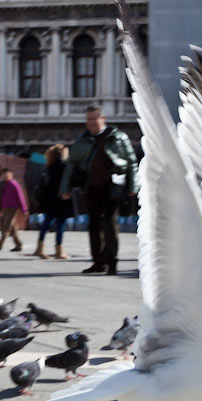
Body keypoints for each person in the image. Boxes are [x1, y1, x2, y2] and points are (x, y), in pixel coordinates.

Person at [60, 105, 138, 275]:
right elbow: (71, 165)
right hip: (91, 188)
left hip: (113, 186)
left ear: (103, 118)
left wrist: (133, 186)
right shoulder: (82, 140)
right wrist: (65, 188)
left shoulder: (118, 137)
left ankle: (112, 262)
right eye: (88, 119)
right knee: (94, 224)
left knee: (109, 223)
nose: (91, 122)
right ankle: (98, 262)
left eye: (94, 118)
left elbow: (131, 162)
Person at [32, 144, 74, 260]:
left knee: (46, 223)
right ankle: (58, 251)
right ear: (61, 154)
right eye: (66, 152)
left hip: (48, 199)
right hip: (61, 199)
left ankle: (39, 249)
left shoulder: (49, 166)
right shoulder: (65, 166)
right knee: (60, 224)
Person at [0, 168, 28, 252]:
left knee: (6, 226)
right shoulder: (4, 184)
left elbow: (20, 197)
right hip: (5, 209)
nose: (5, 175)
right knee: (13, 228)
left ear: (11, 174)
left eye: (7, 174)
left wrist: (24, 209)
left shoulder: (14, 184)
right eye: (3, 174)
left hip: (13, 209)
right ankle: (18, 245)